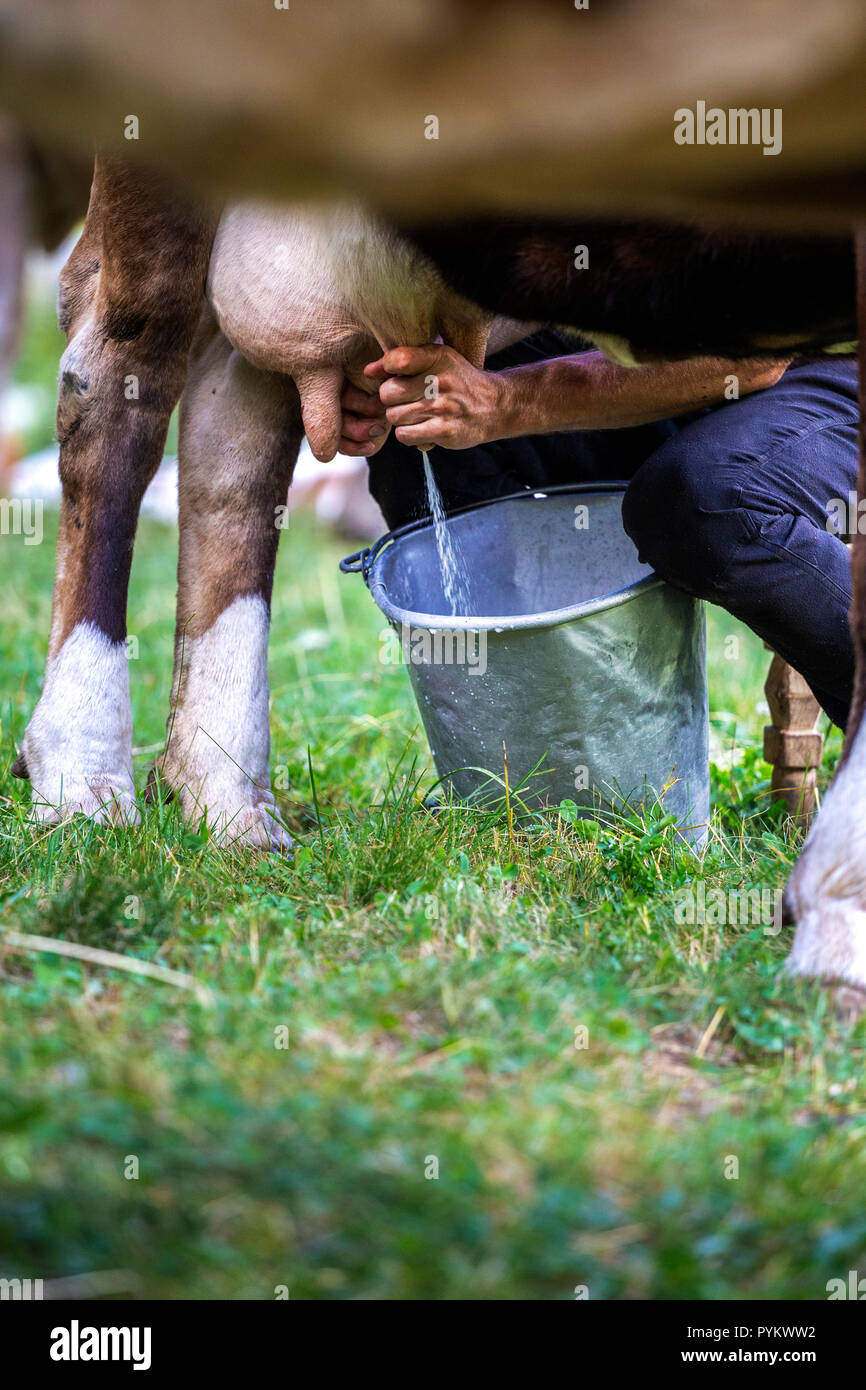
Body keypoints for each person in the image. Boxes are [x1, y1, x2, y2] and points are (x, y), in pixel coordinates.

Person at [337, 331, 858, 731]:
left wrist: (505, 400)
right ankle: (528, 754)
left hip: (821, 360)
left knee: (706, 499)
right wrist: (384, 378)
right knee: (419, 421)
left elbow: (755, 355)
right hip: (653, 350)